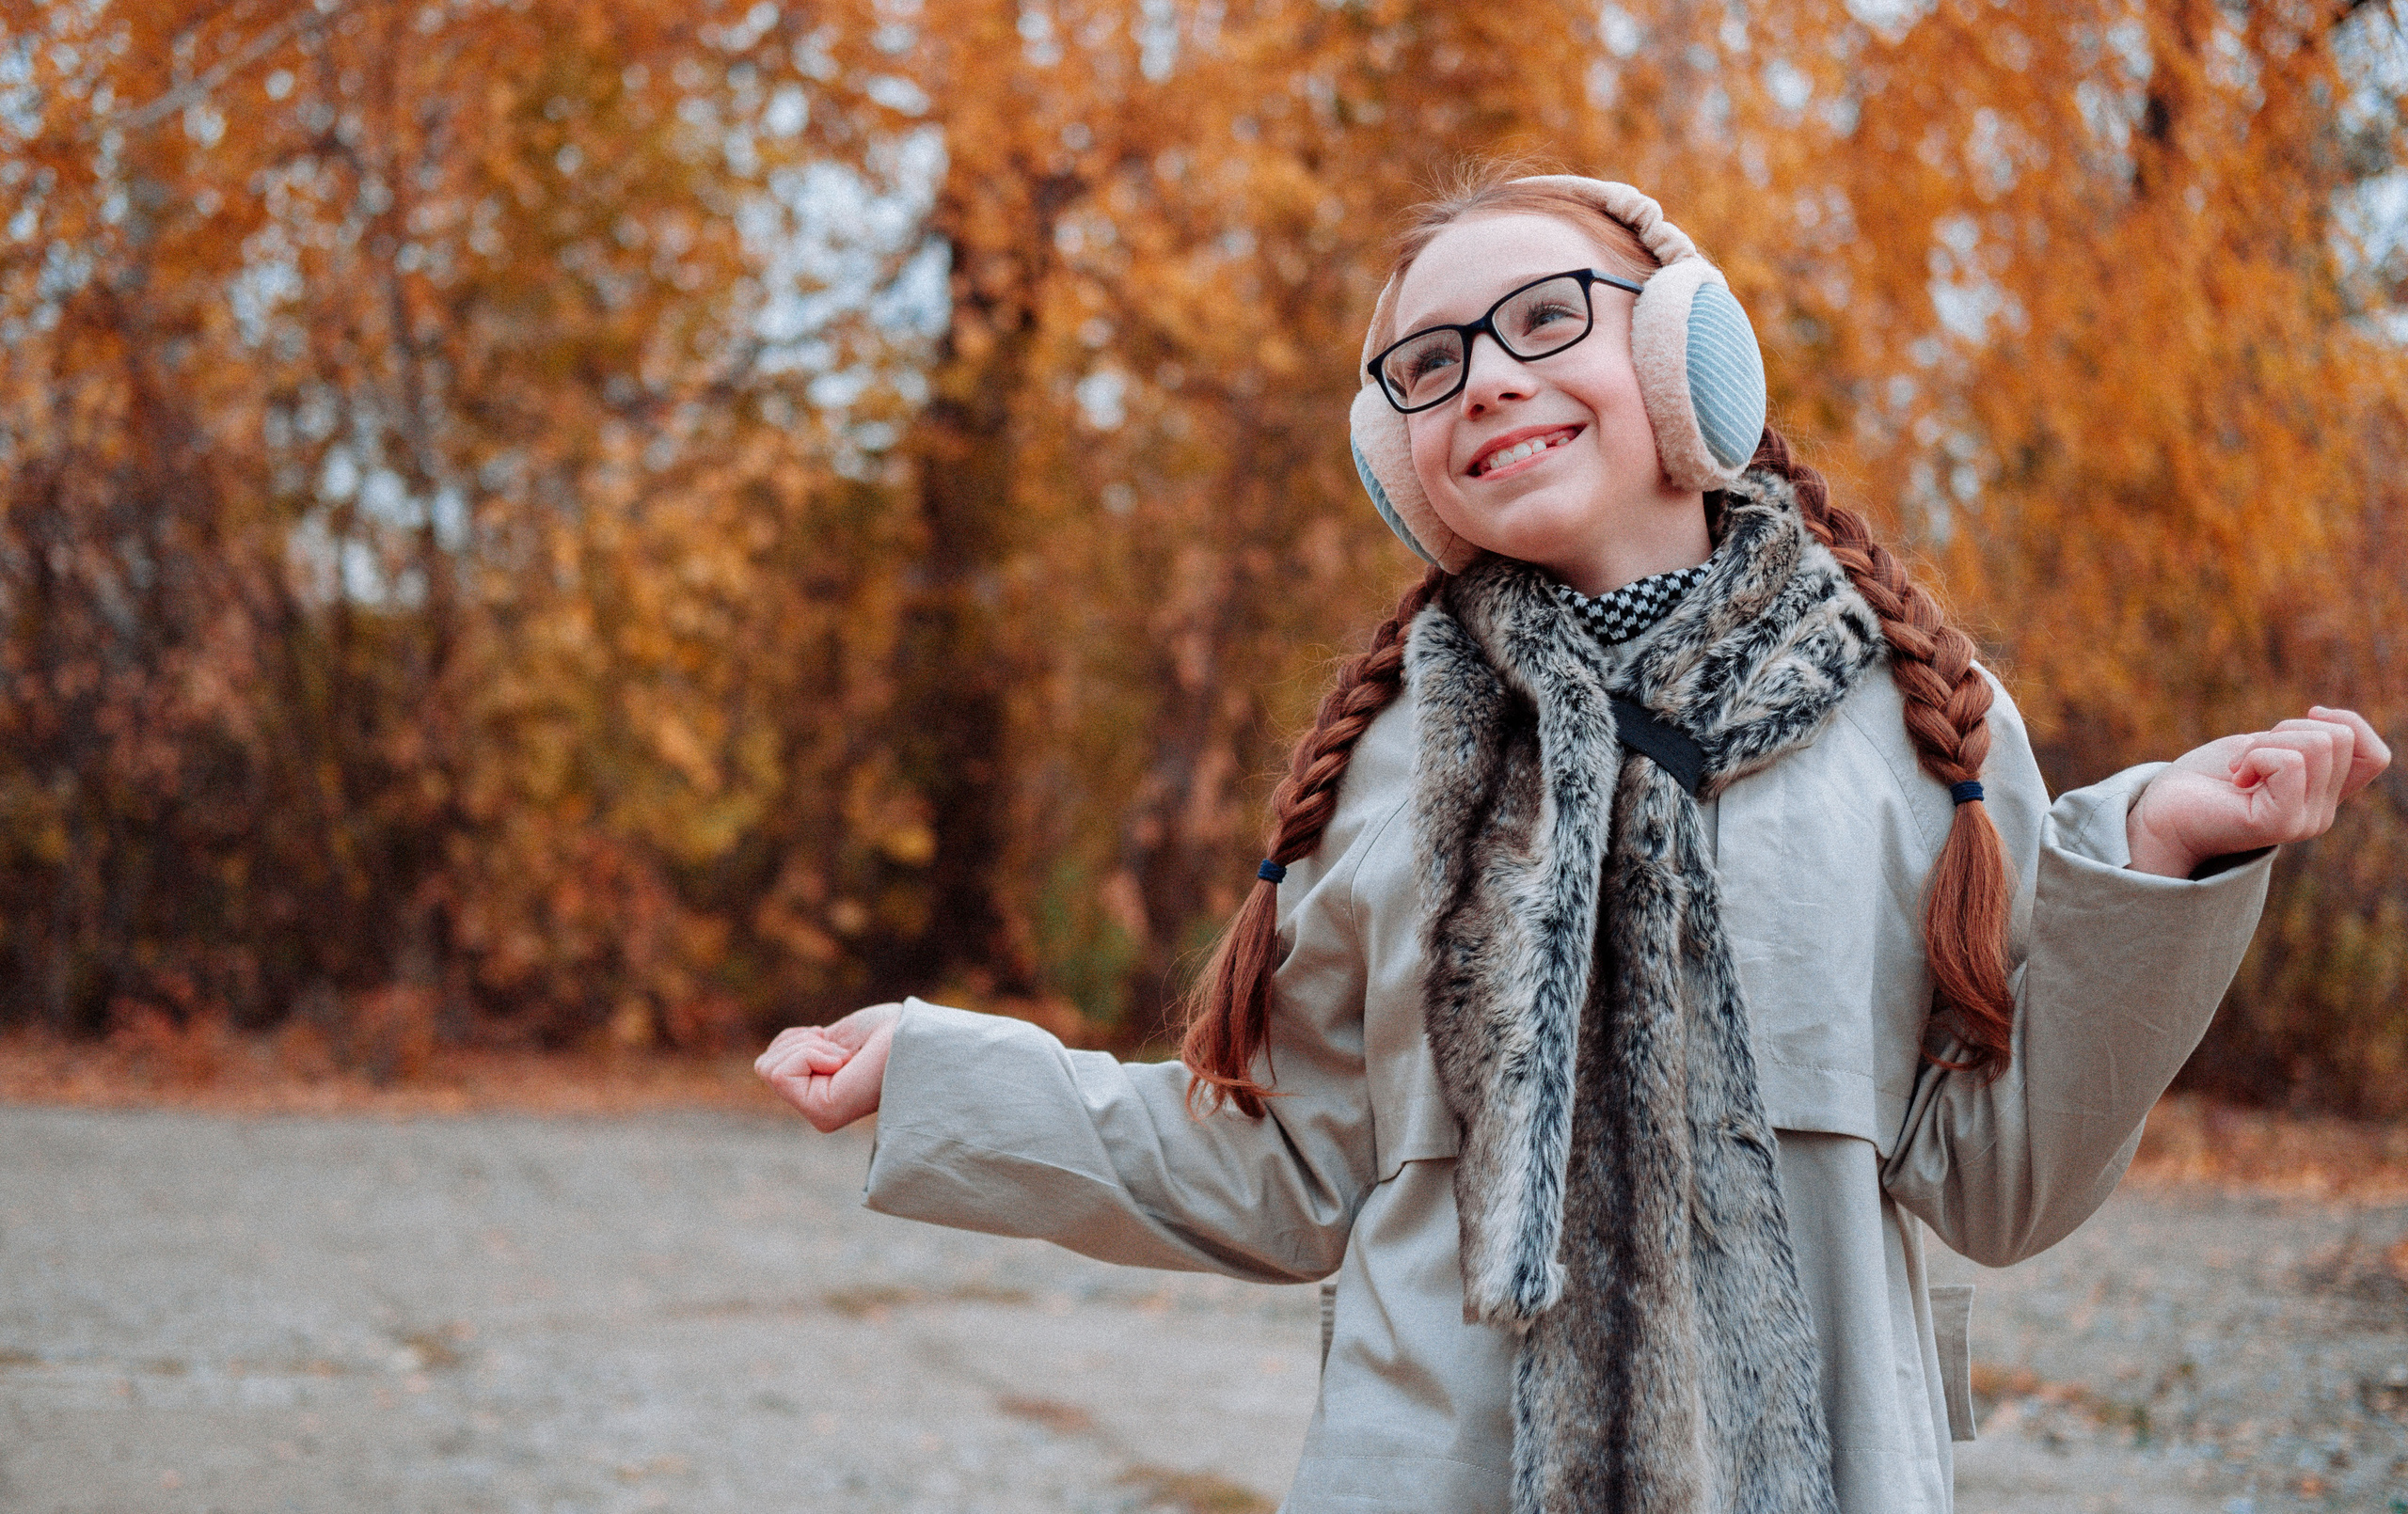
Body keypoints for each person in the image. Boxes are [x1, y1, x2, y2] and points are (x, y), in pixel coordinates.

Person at [753, 170, 2390, 1514]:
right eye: (1430, 364)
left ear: (1692, 356)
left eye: (1546, 319)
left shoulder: (1914, 727)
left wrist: (2162, 850)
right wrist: (944, 1070)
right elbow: (1287, 1167)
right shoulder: (1390, 764)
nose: (1489, 378)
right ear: (1401, 456)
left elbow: (2004, 1175)